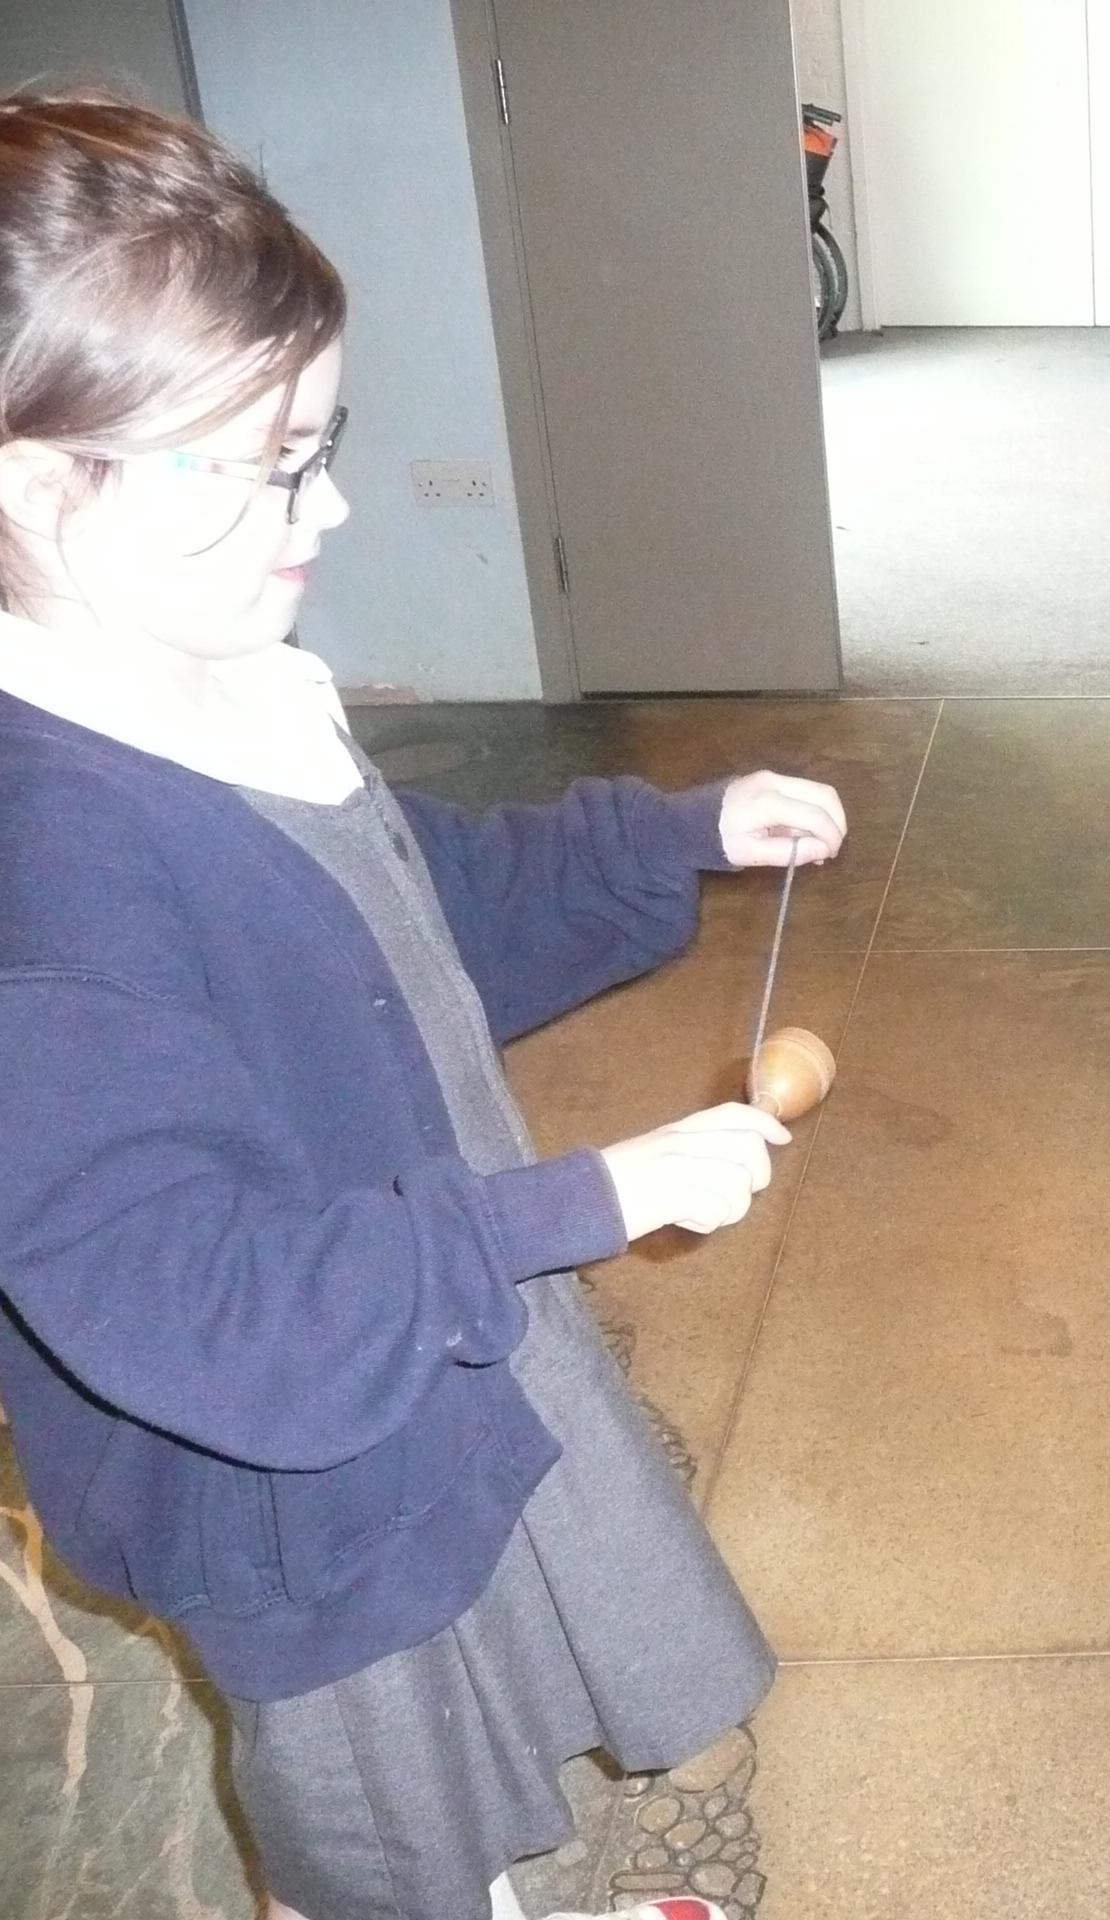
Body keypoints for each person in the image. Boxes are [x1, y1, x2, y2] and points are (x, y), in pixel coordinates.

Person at [0, 93, 843, 1920]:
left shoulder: (217, 679)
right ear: (37, 480)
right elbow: (201, 1308)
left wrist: (675, 835)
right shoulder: (43, 873)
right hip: (301, 1498)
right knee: (390, 1832)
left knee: (515, 1659)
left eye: (324, 443)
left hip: (431, 1328)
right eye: (263, 465)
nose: (329, 506)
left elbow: (407, 912)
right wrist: (575, 1205)